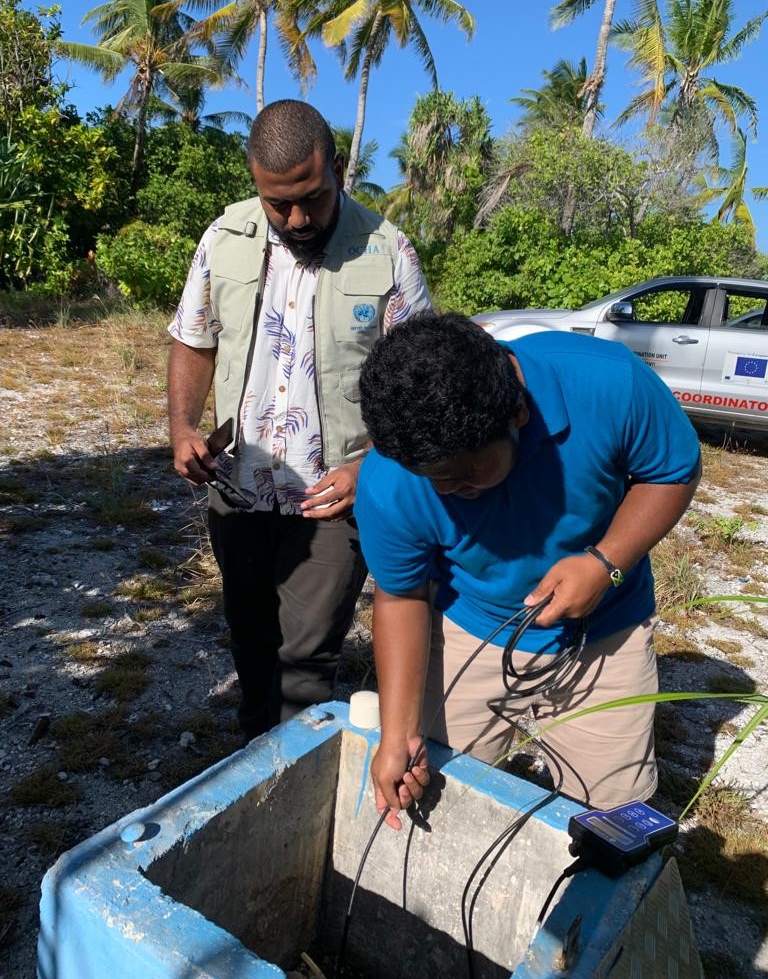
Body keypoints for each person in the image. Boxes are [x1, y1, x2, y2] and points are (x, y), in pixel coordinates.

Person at [354, 312, 701, 829]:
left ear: (516, 412)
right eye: (433, 479)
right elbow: (402, 596)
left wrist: (605, 564)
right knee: (441, 798)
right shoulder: (391, 482)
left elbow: (672, 471)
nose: (446, 492)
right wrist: (396, 734)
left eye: (463, 477)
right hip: (470, 629)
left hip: (605, 633)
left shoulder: (608, 383)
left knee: (614, 820)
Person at [167, 99, 431, 740]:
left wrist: (372, 468)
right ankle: (256, 757)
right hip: (236, 486)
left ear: (339, 169)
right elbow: (193, 339)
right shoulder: (223, 238)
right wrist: (182, 429)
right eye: (276, 203)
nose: (295, 218)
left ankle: (290, 777)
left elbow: (425, 383)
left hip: (331, 499)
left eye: (310, 198)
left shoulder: (388, 252)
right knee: (250, 638)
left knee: (306, 659)